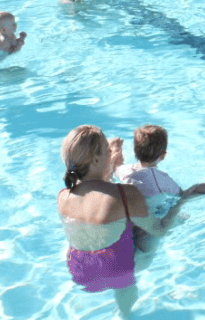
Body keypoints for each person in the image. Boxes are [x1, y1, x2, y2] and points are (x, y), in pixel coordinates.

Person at [58, 125, 190, 319]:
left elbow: (100, 191)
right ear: (96, 159)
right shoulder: (125, 195)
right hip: (116, 271)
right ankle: (123, 314)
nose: (110, 152)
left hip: (79, 270)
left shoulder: (63, 195)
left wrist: (112, 159)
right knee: (157, 223)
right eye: (107, 150)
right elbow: (160, 229)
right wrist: (183, 202)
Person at [112, 125, 205, 251]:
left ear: (135, 150)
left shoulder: (125, 171)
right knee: (183, 217)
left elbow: (116, 166)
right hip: (151, 218)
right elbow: (182, 195)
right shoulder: (162, 179)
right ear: (163, 155)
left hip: (127, 214)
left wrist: (116, 148)